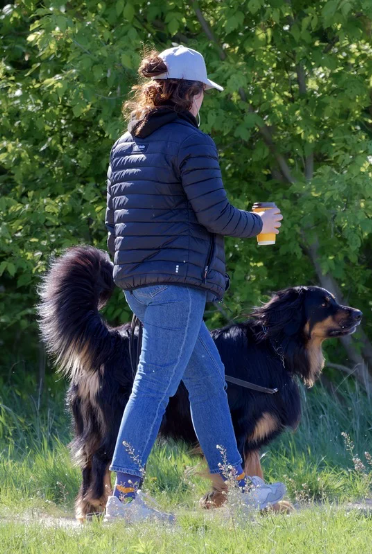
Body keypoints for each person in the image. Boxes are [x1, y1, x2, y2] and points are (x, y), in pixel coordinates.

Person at [102, 45, 285, 523]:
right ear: (189, 92)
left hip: (139, 282)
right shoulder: (191, 142)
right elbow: (216, 215)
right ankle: (123, 498)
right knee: (154, 385)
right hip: (177, 284)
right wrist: (260, 225)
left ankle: (239, 486)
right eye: (202, 91)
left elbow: (112, 222)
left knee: (207, 382)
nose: (204, 99)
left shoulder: (125, 145)